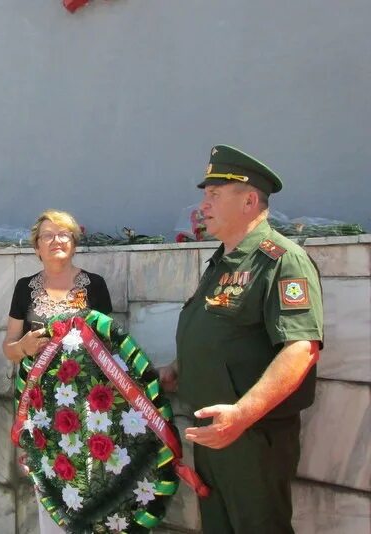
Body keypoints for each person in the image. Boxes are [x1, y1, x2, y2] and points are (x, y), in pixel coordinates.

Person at [164, 145, 323, 534]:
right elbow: (223, 334)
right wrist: (179, 369)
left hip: (252, 437)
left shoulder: (280, 259)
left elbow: (301, 348)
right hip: (216, 434)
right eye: (205, 195)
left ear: (250, 200)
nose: (204, 204)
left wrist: (242, 415)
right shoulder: (222, 262)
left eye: (214, 194)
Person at [2, 209, 112, 534]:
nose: (56, 240)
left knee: (88, 482)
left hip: (86, 404)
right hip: (38, 405)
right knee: (47, 484)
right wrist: (23, 346)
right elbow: (8, 348)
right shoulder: (24, 288)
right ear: (36, 246)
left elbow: (110, 346)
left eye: (64, 233)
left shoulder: (95, 286)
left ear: (75, 243)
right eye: (47, 235)